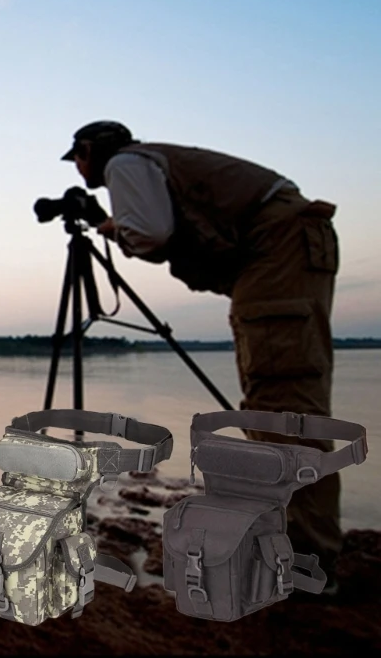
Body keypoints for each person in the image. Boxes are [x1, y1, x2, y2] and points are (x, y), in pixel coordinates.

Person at [62, 120, 342, 594]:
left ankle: (304, 566)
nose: (81, 168)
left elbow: (151, 233)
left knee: (281, 403)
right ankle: (294, 549)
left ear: (90, 150)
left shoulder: (126, 163)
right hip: (281, 245)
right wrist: (112, 226)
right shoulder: (149, 163)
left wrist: (119, 229)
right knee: (274, 398)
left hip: (277, 246)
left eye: (79, 158)